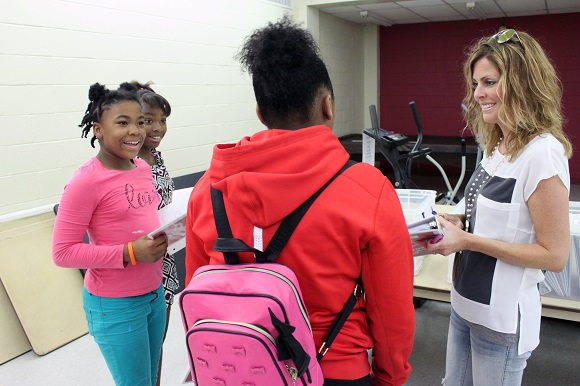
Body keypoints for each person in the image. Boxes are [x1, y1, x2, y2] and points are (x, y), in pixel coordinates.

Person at [184, 16, 415, 386]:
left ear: (261, 115)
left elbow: (201, 291)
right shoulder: (367, 188)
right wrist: (391, 377)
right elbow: (393, 310)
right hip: (334, 368)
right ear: (328, 106)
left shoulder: (208, 190)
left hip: (241, 368)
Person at [421, 29, 572, 386]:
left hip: (500, 320)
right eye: (475, 83)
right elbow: (487, 218)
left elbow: (554, 256)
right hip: (463, 304)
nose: (478, 95)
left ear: (522, 83)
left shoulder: (543, 153)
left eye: (489, 82)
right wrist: (455, 222)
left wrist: (468, 242)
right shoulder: (497, 145)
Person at [52, 82, 169, 386]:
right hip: (116, 305)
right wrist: (130, 253)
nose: (136, 131)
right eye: (122, 122)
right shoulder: (86, 182)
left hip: (154, 294)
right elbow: (63, 252)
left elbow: (139, 223)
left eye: (140, 122)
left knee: (153, 376)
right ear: (98, 130)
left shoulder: (142, 168)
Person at [129, 80, 176, 386]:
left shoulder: (156, 157)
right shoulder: (124, 163)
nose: (158, 128)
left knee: (157, 349)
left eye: (163, 120)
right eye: (149, 121)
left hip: (165, 265)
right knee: (137, 360)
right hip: (134, 266)